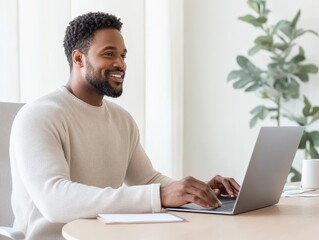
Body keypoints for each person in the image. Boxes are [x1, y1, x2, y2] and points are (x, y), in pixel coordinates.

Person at [10, 12, 240, 240]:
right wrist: (160, 195)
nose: (120, 64)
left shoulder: (122, 119)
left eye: (123, 55)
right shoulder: (38, 116)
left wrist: (195, 192)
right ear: (79, 58)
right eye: (109, 54)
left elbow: (148, 181)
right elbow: (55, 201)